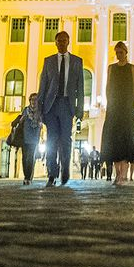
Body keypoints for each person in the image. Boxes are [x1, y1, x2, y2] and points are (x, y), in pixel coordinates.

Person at [38, 29, 84, 187]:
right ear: (55, 43)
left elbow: (81, 87)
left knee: (65, 139)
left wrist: (80, 109)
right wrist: (40, 109)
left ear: (68, 42)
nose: (62, 43)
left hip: (67, 104)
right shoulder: (48, 61)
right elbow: (42, 86)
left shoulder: (77, 61)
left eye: (64, 40)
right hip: (51, 105)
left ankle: (65, 168)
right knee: (51, 140)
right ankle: (52, 173)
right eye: (59, 41)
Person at [100, 40, 134, 185]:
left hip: (127, 106)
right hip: (114, 107)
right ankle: (117, 174)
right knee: (114, 139)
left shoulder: (131, 68)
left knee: (126, 138)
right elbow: (107, 86)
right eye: (117, 53)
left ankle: (123, 174)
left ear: (126, 53)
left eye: (121, 52)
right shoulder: (111, 68)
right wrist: (108, 102)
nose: (118, 55)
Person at [9, 91, 43, 184]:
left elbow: (42, 123)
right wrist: (21, 120)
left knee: (30, 157)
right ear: (29, 101)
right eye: (32, 99)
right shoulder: (26, 110)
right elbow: (21, 121)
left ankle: (28, 177)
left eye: (36, 100)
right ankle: (26, 176)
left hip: (34, 138)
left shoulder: (40, 112)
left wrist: (40, 124)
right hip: (24, 137)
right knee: (25, 157)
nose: (34, 101)